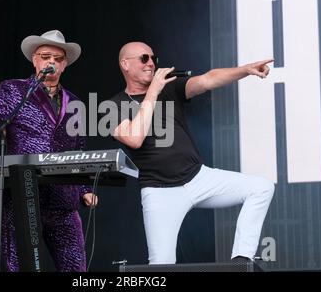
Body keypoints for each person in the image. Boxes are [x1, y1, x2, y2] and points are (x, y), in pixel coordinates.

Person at [109, 42, 275, 264]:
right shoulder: (111, 106)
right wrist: (153, 92)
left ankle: (241, 259)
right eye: (144, 58)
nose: (151, 63)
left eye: (153, 58)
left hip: (198, 177)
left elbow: (208, 79)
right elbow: (134, 138)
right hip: (159, 191)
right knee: (161, 265)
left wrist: (245, 70)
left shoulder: (170, 88)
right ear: (125, 64)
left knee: (261, 187)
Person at [0, 30, 98, 272]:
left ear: (64, 65)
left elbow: (78, 148)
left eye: (57, 58)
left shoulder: (75, 103)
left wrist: (84, 189)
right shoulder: (14, 90)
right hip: (22, 195)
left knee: (75, 269)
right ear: (34, 59)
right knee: (18, 266)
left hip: (63, 200)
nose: (51, 62)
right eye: (45, 56)